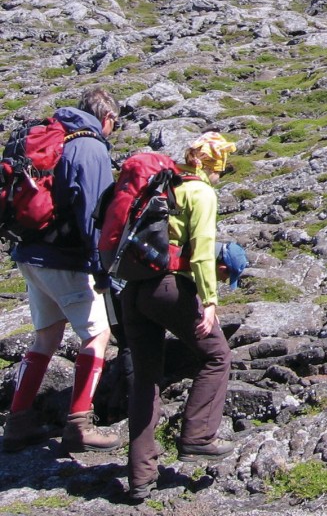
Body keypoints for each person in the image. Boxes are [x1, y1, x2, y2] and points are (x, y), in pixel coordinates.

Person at [3, 89, 123, 454]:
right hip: (62, 257)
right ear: (107, 118)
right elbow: (95, 211)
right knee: (97, 336)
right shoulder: (90, 147)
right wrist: (102, 265)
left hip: (29, 252)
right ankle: (79, 424)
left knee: (46, 336)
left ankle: (18, 421)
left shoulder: (53, 134)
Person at [121, 132, 238, 503]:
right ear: (212, 165)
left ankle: (140, 477)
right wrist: (211, 301)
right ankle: (197, 438)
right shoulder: (201, 193)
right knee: (217, 355)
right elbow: (203, 252)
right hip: (168, 287)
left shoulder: (163, 185)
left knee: (145, 378)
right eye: (222, 167)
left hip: (134, 289)